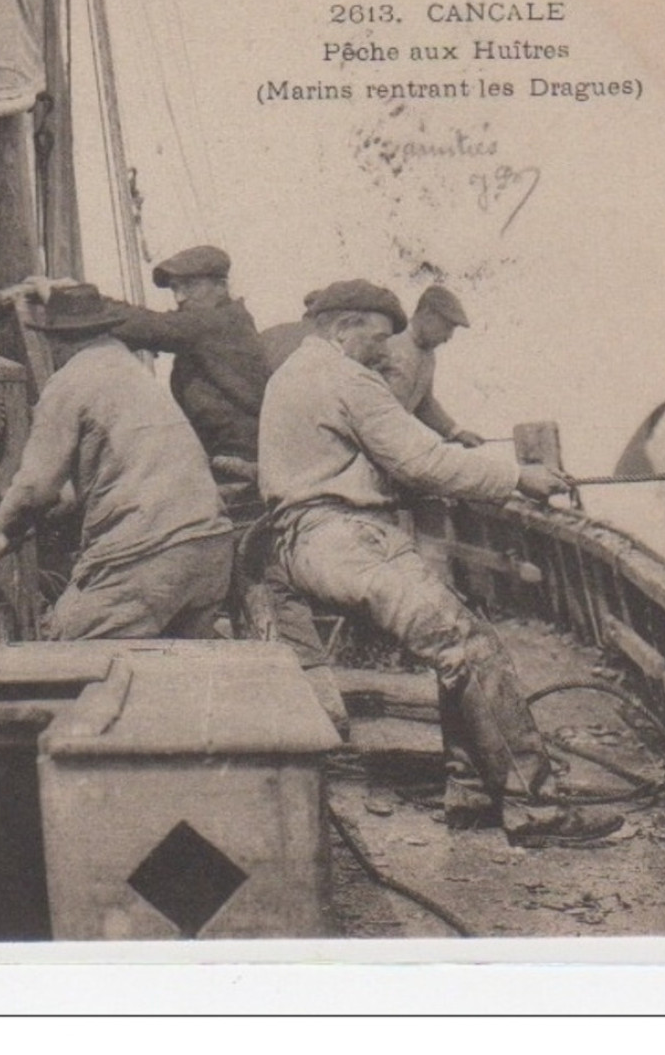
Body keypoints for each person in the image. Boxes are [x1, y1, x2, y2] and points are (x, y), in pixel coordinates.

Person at [258, 278, 624, 846]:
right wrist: (518, 478)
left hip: (299, 542)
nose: (385, 352)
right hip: (343, 539)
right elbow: (423, 461)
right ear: (343, 326)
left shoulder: (292, 373)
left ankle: (471, 794)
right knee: (470, 648)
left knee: (456, 640)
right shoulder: (347, 378)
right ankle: (538, 811)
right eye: (377, 338)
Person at [0, 285, 235, 640]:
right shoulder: (133, 371)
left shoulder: (69, 381)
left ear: (57, 341)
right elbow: (84, 485)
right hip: (210, 546)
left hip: (147, 557)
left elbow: (35, 487)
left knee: (60, 652)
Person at [81, 245, 269, 473]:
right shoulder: (213, 324)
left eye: (190, 286)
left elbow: (150, 326)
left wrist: (77, 300)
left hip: (242, 463)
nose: (179, 297)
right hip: (230, 457)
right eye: (175, 288)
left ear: (221, 287)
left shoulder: (218, 322)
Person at [379, 285, 486, 447]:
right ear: (428, 314)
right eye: (447, 327)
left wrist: (456, 432)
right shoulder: (388, 342)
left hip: (390, 442)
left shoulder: (428, 356)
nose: (449, 337)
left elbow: (424, 404)